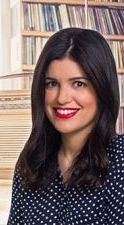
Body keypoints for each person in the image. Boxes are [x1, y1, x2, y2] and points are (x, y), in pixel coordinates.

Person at [8, 27, 124, 224]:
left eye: (78, 84)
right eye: (52, 84)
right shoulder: (30, 162)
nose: (62, 98)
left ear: (102, 88)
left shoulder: (120, 159)